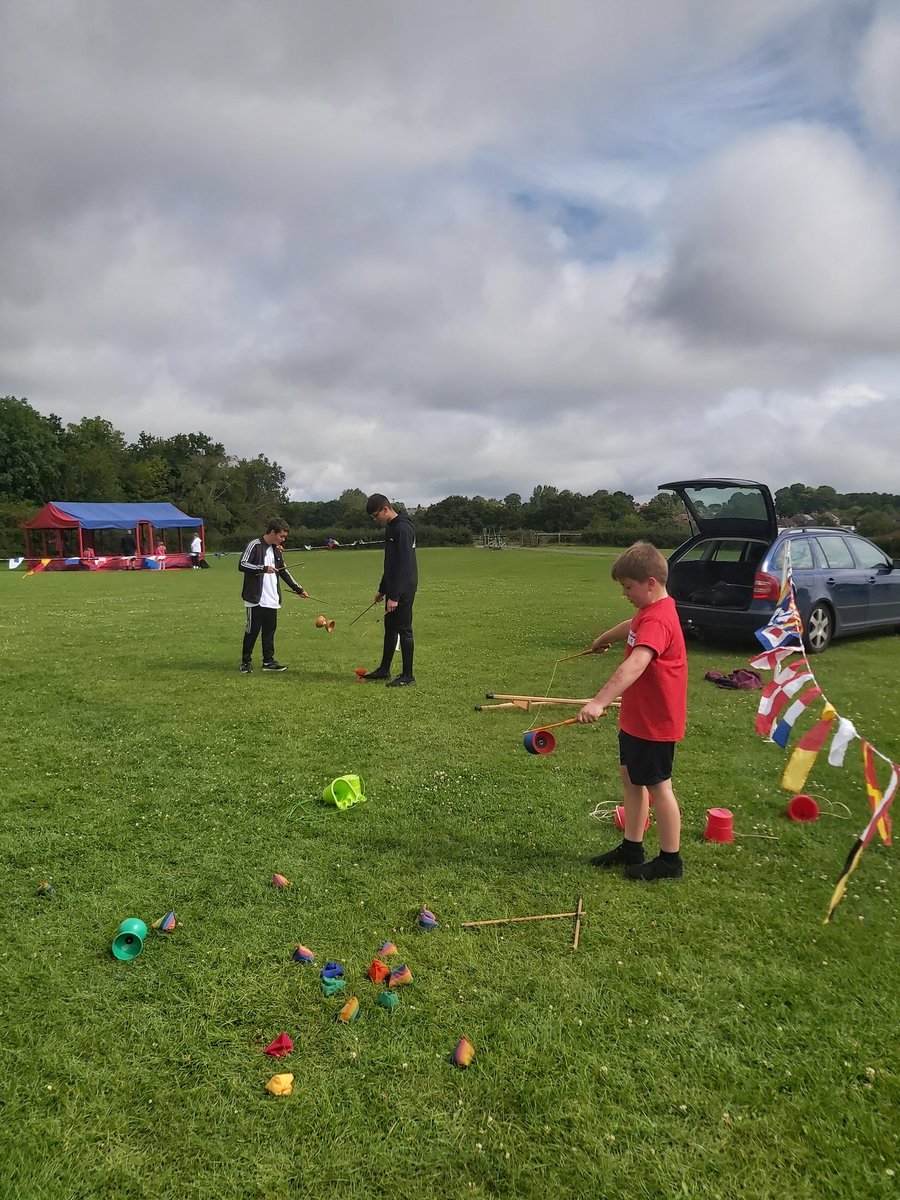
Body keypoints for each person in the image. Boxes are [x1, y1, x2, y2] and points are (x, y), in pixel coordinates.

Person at [577, 541, 687, 881]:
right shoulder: (651, 611)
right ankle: (632, 846)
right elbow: (632, 623)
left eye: (628, 587)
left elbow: (637, 663)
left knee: (659, 787)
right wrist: (602, 638)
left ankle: (670, 861)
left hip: (655, 721)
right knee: (631, 780)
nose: (625, 593)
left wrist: (599, 702)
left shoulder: (659, 620)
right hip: (637, 718)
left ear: (650, 583)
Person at [361, 493, 418, 687]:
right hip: (393, 588)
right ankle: (384, 670)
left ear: (386, 509)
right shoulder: (390, 528)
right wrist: (383, 589)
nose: (376, 520)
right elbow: (390, 563)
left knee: (404, 630)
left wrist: (395, 596)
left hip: (404, 588)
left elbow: (404, 565)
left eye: (376, 515)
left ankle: (408, 676)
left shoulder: (402, 528)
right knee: (390, 630)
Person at [239, 518, 308, 673]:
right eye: (281, 536)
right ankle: (245, 662)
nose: (283, 540)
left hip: (272, 598)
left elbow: (283, 571)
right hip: (255, 598)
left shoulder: (276, 549)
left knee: (269, 631)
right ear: (272, 532)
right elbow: (242, 564)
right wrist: (263, 568)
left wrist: (298, 589)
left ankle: (268, 662)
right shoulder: (254, 545)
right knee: (252, 631)